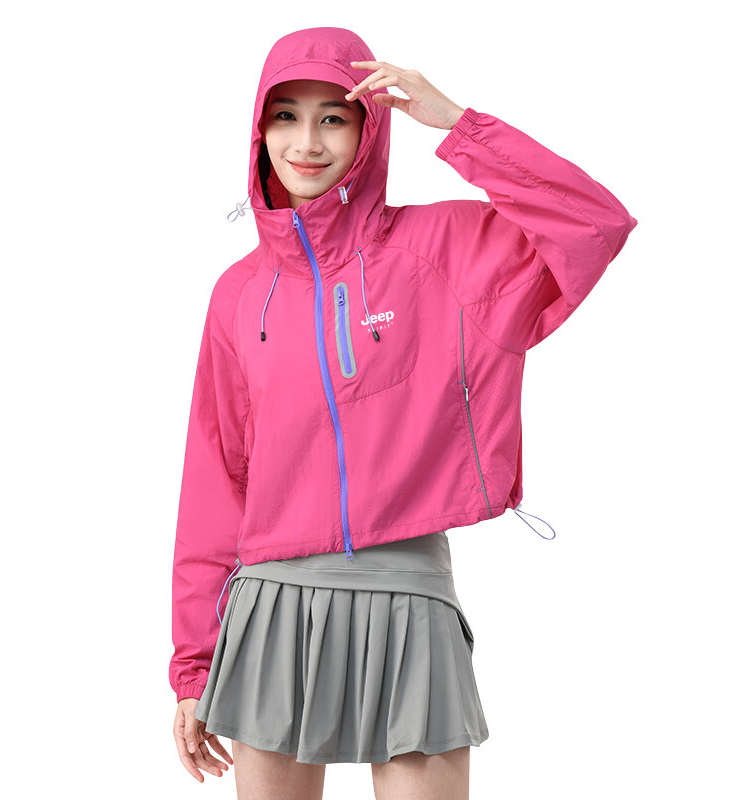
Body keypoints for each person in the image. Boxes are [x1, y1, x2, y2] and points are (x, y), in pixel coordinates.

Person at [169, 26, 638, 799]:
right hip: (270, 605)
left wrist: (459, 125)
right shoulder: (240, 293)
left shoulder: (446, 248)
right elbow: (215, 480)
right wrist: (193, 667)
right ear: (259, 130)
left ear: (370, 129)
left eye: (334, 117)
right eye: (286, 116)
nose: (307, 142)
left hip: (410, 593)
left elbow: (594, 225)